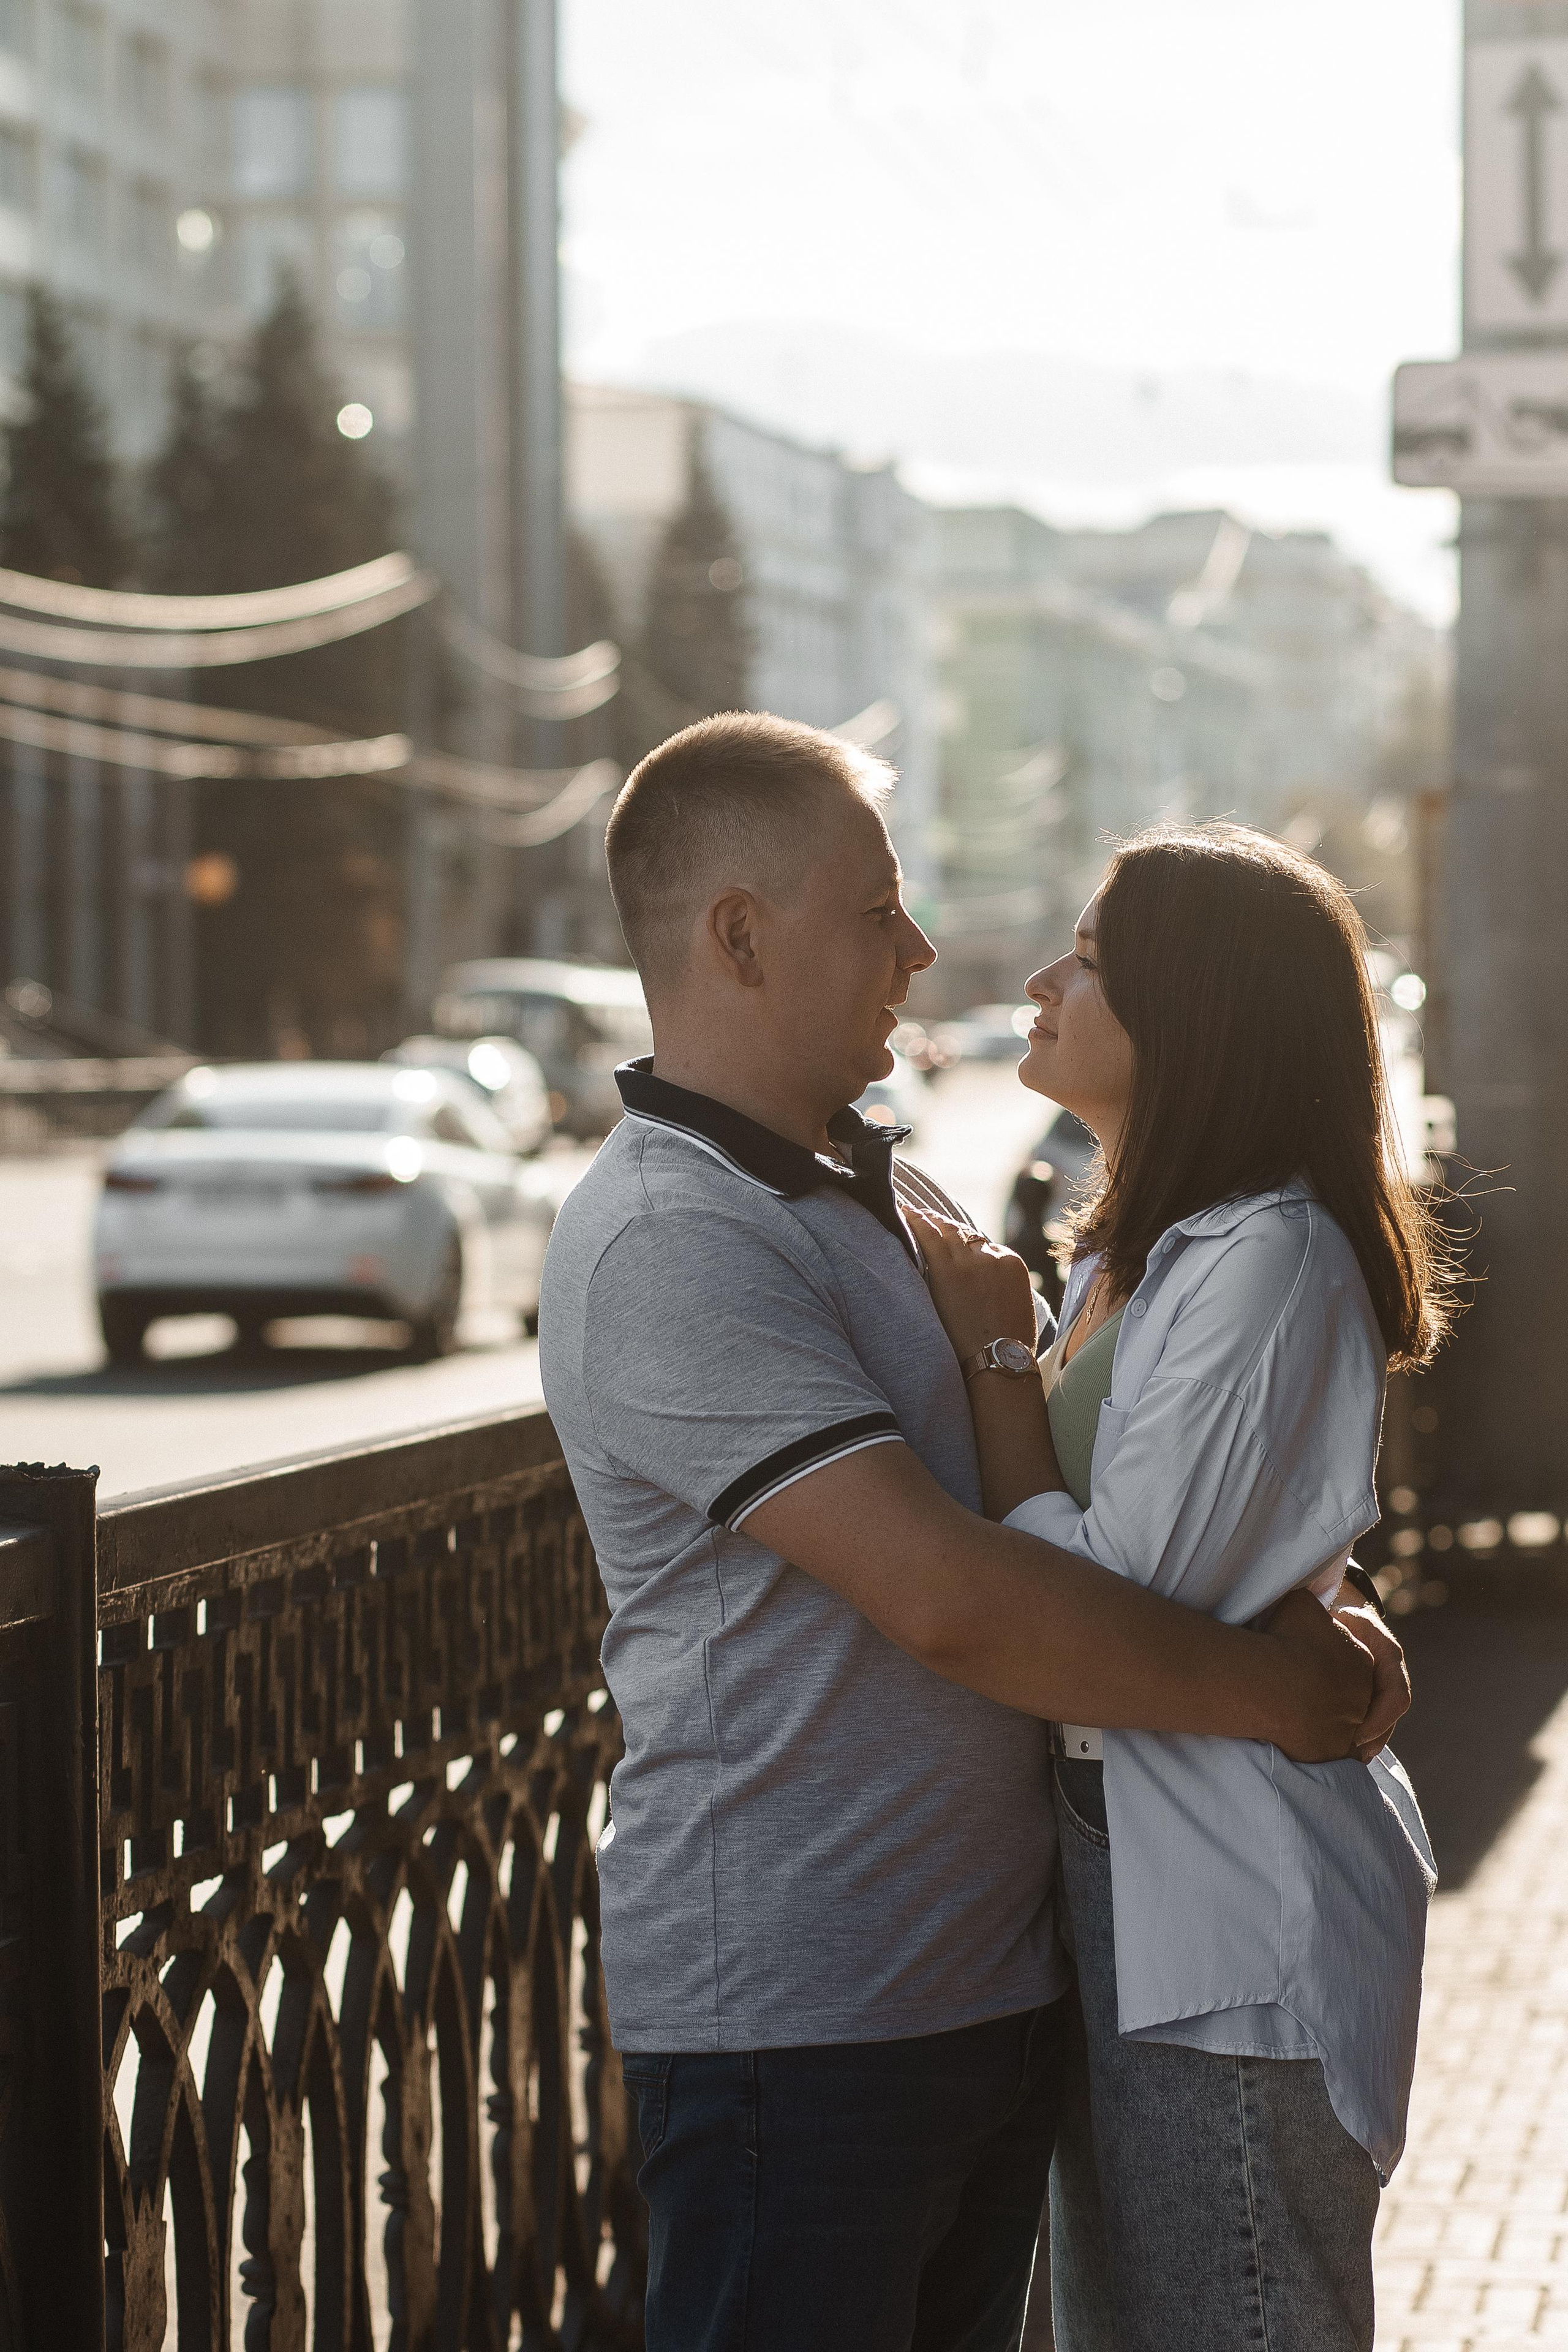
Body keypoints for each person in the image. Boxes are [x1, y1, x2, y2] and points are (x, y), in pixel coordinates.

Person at [537, 714, 1408, 2352]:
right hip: (801, 2019)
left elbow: (1117, 1503)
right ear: (738, 935)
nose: (926, 952)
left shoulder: (891, 1199)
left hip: (988, 1991)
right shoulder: (670, 1234)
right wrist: (1275, 1691)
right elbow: (952, 1600)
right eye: (878, 910)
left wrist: (1307, 1594)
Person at [911, 824, 1452, 2352]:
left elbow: (1102, 1601)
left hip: (1219, 1879)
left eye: (1086, 958)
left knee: (1227, 2311)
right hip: (1115, 1852)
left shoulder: (1267, 1256)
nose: (1035, 982)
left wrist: (999, 1357)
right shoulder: (1130, 1260)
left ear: (1192, 1010)